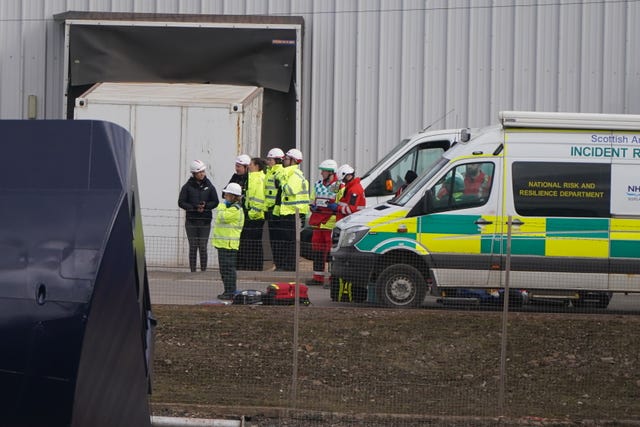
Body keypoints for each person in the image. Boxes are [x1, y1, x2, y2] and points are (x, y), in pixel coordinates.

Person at [178, 159, 219, 272]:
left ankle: (203, 271)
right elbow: (181, 202)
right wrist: (194, 207)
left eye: (203, 171)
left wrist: (205, 206)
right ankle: (193, 271)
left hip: (205, 221)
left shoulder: (210, 186)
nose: (202, 174)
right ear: (194, 173)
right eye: (199, 172)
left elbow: (215, 201)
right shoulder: (187, 187)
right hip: (191, 221)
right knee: (193, 247)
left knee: (203, 246)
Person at [272, 148, 310, 271]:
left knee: (290, 242)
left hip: (292, 212)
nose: (284, 161)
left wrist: (282, 181)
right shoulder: (289, 173)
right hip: (288, 212)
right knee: (286, 241)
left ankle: (289, 266)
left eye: (287, 159)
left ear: (294, 161)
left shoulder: (295, 175)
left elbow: (289, 190)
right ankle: (285, 265)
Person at [306, 159, 340, 286]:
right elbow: (312, 199)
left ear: (331, 172)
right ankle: (318, 277)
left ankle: (332, 279)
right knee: (317, 252)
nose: (321, 173)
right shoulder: (318, 184)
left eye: (324, 171)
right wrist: (312, 206)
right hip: (318, 223)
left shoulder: (338, 186)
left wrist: (335, 208)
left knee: (332, 253)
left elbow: (339, 203)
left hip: (330, 223)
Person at [212, 182, 245, 300]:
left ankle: (230, 291)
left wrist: (221, 206)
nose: (225, 196)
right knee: (224, 269)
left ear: (233, 196)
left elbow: (222, 217)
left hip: (229, 245)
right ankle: (228, 290)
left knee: (228, 269)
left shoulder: (235, 209)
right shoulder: (230, 208)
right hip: (224, 244)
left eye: (227, 195)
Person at [237, 157, 267, 270]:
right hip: (253, 214)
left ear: (257, 166)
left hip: (254, 215)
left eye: (251, 164)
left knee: (252, 243)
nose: (249, 166)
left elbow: (259, 198)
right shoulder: (254, 178)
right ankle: (251, 266)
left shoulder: (257, 179)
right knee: (251, 243)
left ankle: (253, 266)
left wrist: (251, 213)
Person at [263, 148, 285, 270]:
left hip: (276, 210)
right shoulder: (270, 172)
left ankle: (280, 264)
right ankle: (276, 263)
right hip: (269, 209)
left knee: (278, 239)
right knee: (273, 239)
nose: (268, 161)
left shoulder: (280, 172)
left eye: (270, 159)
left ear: (277, 160)